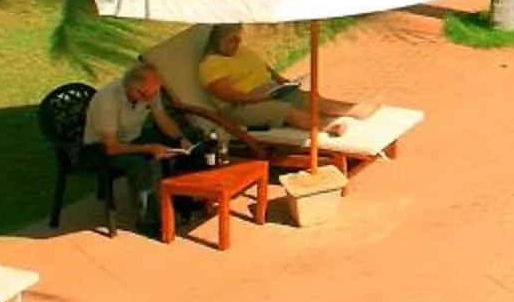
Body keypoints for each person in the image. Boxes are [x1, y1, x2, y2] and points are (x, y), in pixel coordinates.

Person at [84, 59, 204, 218]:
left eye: (154, 93)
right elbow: (112, 147)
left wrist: (181, 138)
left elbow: (162, 118)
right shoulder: (107, 100)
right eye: (146, 95)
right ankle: (149, 221)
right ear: (131, 87)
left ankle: (183, 198)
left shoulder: (149, 91)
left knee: (194, 139)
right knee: (138, 165)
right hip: (101, 148)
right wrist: (150, 148)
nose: (151, 99)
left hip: (134, 136)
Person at [195, 23, 352, 137]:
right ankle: (330, 127)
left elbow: (265, 67)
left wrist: (282, 81)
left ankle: (357, 110)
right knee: (282, 109)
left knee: (307, 98)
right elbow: (226, 94)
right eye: (232, 40)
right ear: (219, 41)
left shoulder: (241, 51)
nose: (238, 43)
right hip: (240, 107)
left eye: (238, 38)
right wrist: (255, 98)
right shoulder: (211, 64)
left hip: (268, 92)